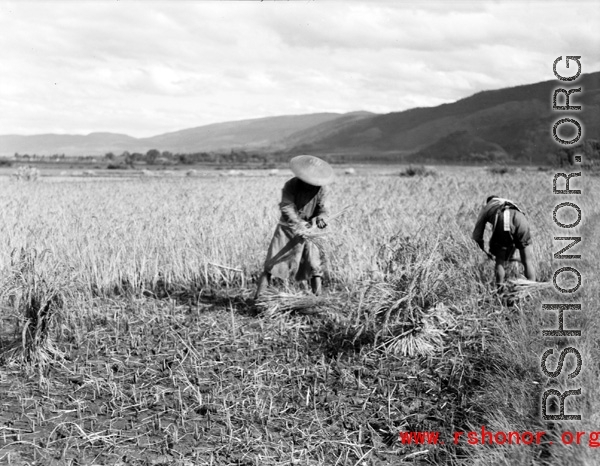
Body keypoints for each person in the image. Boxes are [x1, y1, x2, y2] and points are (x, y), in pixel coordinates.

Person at [255, 155, 334, 299]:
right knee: (271, 263)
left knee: (314, 264)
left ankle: (317, 299)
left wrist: (320, 219)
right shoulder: (291, 185)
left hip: (309, 231)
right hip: (287, 229)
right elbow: (287, 207)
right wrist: (298, 223)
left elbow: (323, 210)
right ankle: (258, 298)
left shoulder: (322, 190)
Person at [472, 195, 536, 289]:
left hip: (503, 219)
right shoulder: (508, 202)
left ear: (488, 202)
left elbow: (477, 235)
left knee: (500, 261)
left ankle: (500, 289)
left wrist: (483, 249)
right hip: (521, 218)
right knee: (527, 261)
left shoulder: (487, 207)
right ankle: (532, 288)